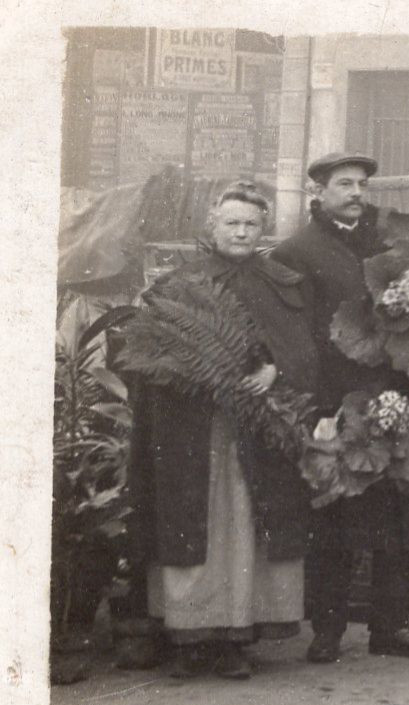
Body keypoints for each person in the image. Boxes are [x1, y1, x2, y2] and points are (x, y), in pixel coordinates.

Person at [123, 182, 319, 679]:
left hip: (255, 431)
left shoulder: (281, 282)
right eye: (231, 222)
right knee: (198, 523)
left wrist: (275, 371)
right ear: (212, 226)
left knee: (246, 528)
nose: (241, 232)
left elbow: (303, 349)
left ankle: (236, 636)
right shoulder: (180, 284)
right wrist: (194, 374)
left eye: (251, 224)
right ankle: (192, 638)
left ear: (264, 229)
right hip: (195, 431)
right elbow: (146, 354)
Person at [271, 151, 409, 663]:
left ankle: (393, 627)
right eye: (343, 183)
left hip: (393, 392)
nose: (354, 193)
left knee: (398, 514)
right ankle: (327, 631)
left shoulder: (387, 241)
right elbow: (295, 338)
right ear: (320, 192)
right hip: (335, 399)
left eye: (361, 184)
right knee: (335, 515)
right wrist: (317, 408)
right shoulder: (296, 253)